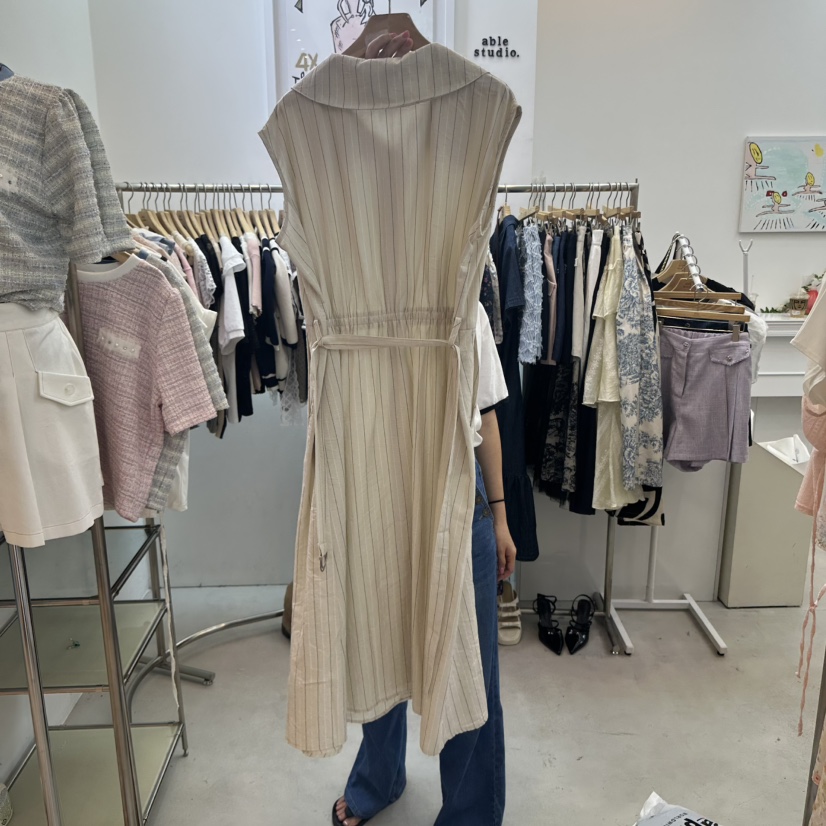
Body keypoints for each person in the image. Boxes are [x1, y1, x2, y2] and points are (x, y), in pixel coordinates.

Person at [333, 285, 518, 826]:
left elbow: (485, 416)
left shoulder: (464, 307)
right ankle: (379, 777)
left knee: (472, 666)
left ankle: (470, 814)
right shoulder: (355, 302)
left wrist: (501, 517)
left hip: (457, 492)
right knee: (378, 646)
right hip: (375, 493)